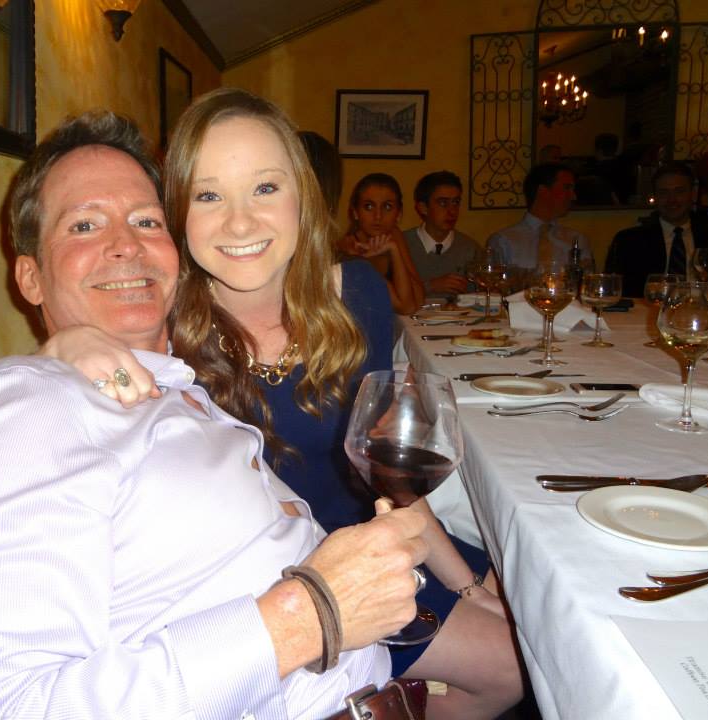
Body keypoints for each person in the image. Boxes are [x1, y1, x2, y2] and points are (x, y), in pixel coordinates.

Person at [0, 111, 431, 719]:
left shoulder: (181, 389)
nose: (125, 245)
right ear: (30, 277)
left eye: (146, 221)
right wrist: (308, 615)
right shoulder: (29, 407)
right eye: (84, 225)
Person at [44, 89, 524, 719]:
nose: (240, 223)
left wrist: (465, 581)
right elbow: (74, 356)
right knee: (509, 666)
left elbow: (384, 472)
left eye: (265, 188)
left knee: (529, 629)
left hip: (371, 538)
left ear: (304, 198)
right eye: (209, 196)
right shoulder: (162, 322)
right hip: (272, 582)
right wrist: (69, 342)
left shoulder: (357, 293)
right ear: (178, 212)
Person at [604, 161, 708, 296]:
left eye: (679, 191)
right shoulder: (629, 241)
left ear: (693, 194)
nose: (672, 200)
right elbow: (613, 292)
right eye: (663, 193)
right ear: (655, 197)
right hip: (650, 307)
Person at [340, 173, 425, 314]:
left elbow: (419, 298)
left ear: (398, 214)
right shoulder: (350, 251)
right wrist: (393, 250)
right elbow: (407, 307)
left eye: (387, 207)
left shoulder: (393, 235)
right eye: (368, 206)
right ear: (355, 212)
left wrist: (394, 249)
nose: (378, 216)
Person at [487, 161, 590, 268]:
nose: (573, 196)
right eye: (567, 188)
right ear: (543, 191)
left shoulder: (577, 240)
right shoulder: (503, 241)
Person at [401, 171, 479, 300]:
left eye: (456, 202)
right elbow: (388, 297)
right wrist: (430, 286)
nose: (452, 211)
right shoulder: (402, 245)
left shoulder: (470, 249)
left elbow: (480, 298)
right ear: (423, 208)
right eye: (443, 203)